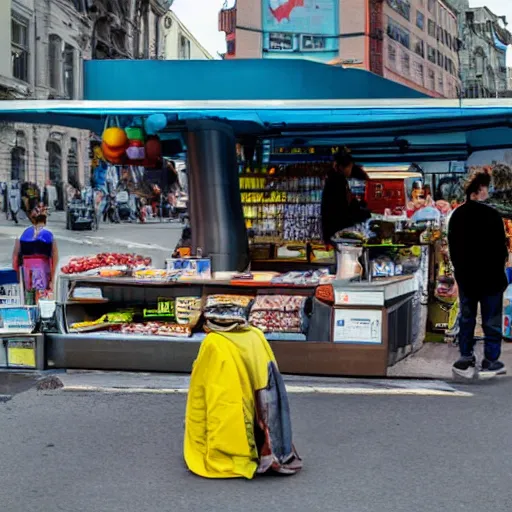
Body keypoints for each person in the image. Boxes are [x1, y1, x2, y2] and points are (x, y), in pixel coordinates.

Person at [448, 170, 508, 379]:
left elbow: (453, 248)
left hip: (468, 278)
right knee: (491, 320)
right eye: (487, 188)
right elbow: (502, 249)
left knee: (467, 318)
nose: (488, 193)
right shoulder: (492, 215)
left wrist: (460, 272)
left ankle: (465, 357)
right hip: (491, 278)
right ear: (480, 190)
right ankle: (491, 360)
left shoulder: (457, 215)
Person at [321, 147, 370, 246]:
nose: (350, 171)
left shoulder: (334, 181)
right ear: (341, 167)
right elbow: (341, 211)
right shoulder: (338, 183)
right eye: (349, 167)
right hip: (337, 232)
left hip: (333, 231)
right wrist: (361, 213)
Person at [12, 208, 58, 302]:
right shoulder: (49, 235)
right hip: (43, 270)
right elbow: (55, 259)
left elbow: (15, 258)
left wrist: (16, 276)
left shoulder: (22, 234)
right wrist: (53, 280)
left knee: (28, 295)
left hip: (26, 269)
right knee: (41, 296)